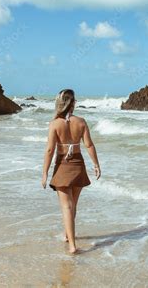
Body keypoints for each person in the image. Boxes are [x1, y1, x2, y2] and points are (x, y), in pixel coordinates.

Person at [41, 89, 101, 254]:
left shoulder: (54, 124)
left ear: (59, 103)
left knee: (66, 207)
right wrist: (96, 164)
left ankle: (72, 245)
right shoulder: (81, 122)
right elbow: (89, 145)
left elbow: (49, 150)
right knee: (73, 205)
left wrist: (45, 173)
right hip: (78, 165)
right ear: (73, 103)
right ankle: (68, 236)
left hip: (62, 166)